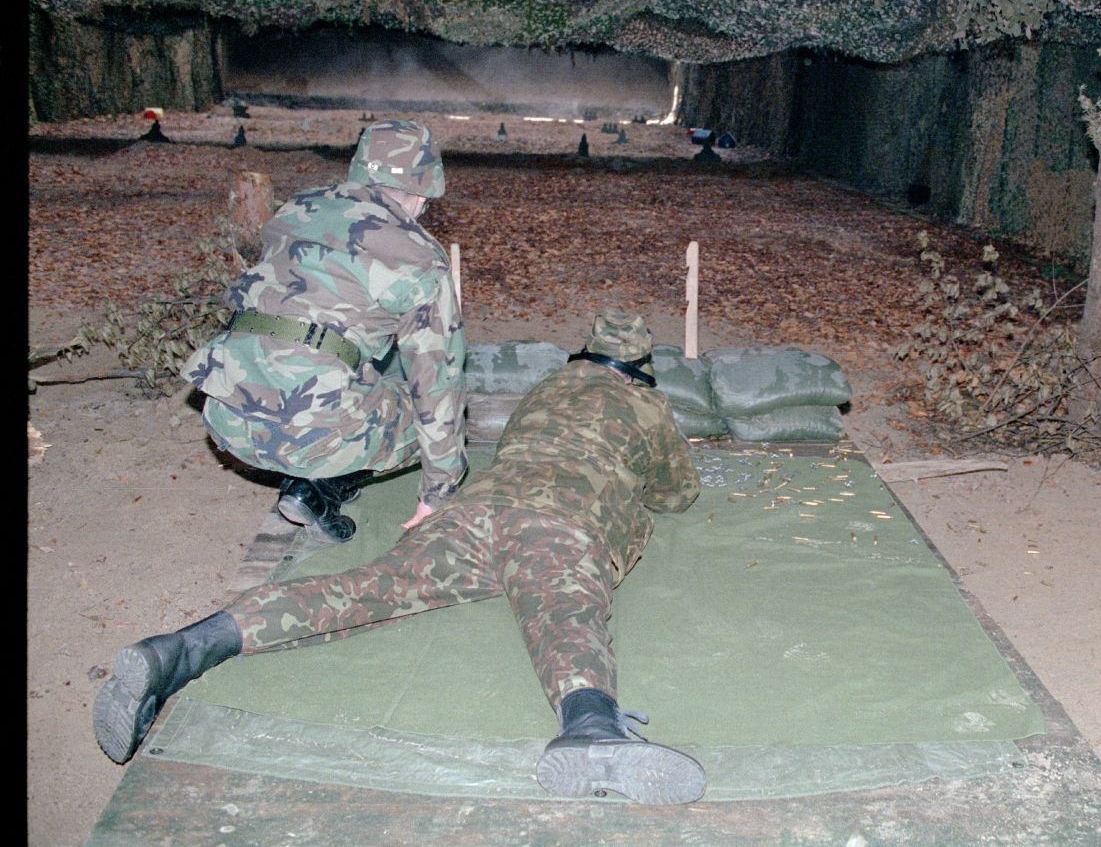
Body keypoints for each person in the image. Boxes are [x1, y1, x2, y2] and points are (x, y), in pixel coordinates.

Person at [95, 309, 709, 805]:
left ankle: (184, 647)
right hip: (559, 523)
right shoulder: (646, 406)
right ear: (638, 371)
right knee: (566, 612)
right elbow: (679, 493)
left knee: (364, 588)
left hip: (474, 515)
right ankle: (592, 727)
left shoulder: (546, 386)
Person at [181, 119, 467, 542]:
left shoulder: (298, 207)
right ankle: (316, 486)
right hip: (307, 433)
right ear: (425, 193)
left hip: (228, 414)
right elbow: (438, 384)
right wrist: (440, 492)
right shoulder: (420, 257)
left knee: (360, 371)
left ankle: (319, 474)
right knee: (429, 411)